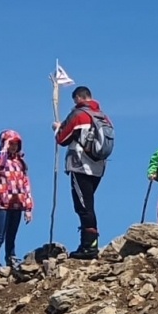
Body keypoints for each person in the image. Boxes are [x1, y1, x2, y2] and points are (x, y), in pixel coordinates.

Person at [54, 85, 111, 259]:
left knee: (83, 206)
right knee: (88, 203)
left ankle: (89, 246)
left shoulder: (78, 114)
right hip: (98, 166)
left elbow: (62, 138)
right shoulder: (103, 117)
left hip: (80, 164)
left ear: (78, 98)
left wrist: (57, 127)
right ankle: (89, 243)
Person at [0, 130, 34, 272]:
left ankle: (11, 258)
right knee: (0, 235)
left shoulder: (21, 163)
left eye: (15, 144)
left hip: (17, 203)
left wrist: (28, 208)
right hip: (2, 203)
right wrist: (4, 150)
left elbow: (26, 185)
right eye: (10, 143)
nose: (13, 147)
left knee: (12, 234)